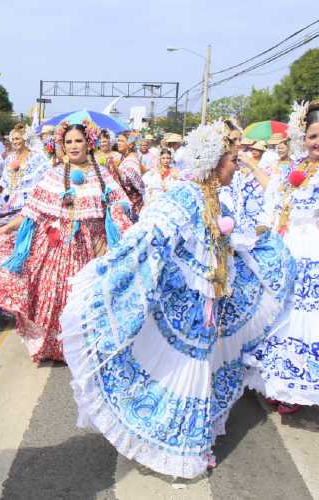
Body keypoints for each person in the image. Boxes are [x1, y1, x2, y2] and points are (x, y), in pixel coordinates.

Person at [59, 120, 295, 478]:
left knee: (201, 370)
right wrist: (118, 268)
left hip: (208, 306)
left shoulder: (216, 197)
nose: (236, 165)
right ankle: (177, 448)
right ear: (215, 163)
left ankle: (188, 443)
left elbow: (226, 241)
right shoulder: (186, 195)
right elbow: (152, 230)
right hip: (188, 310)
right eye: (232, 159)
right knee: (184, 371)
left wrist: (255, 240)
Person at [0, 119, 133, 363]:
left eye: (78, 140)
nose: (74, 146)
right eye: (68, 142)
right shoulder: (55, 174)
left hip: (93, 249)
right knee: (57, 296)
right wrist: (5, 230)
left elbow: (121, 203)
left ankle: (82, 348)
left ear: (88, 143)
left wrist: (112, 225)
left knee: (85, 299)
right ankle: (56, 346)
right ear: (62, 146)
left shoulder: (102, 175)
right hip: (59, 247)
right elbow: (32, 211)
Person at [246, 100, 319, 415]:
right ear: (303, 137)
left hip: (314, 256)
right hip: (289, 254)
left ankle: (302, 387)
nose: (318, 142)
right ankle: (283, 383)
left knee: (307, 321)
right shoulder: (295, 168)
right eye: (314, 135)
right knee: (282, 318)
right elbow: (274, 201)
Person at [108, 131, 145, 216]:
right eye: (118, 140)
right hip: (126, 200)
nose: (118, 143)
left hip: (132, 203)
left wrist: (115, 168)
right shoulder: (123, 157)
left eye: (121, 141)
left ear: (130, 145)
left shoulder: (132, 160)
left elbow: (131, 181)